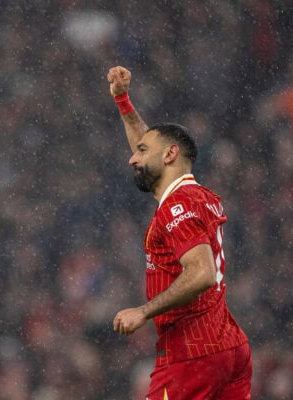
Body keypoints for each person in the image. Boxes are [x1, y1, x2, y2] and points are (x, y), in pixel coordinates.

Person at [108, 66, 252, 400]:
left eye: (141, 152)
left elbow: (201, 272)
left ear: (171, 154)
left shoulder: (178, 206)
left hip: (191, 353)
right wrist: (123, 101)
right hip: (228, 346)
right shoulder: (194, 195)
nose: (132, 158)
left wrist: (142, 311)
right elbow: (149, 145)